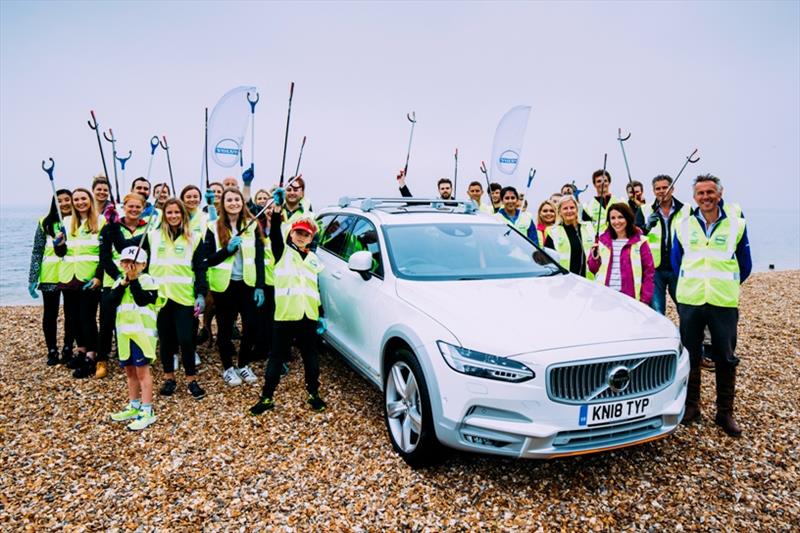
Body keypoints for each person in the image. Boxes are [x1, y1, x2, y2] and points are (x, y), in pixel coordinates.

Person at [672, 174, 751, 437]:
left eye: (710, 192)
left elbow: (745, 263)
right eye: (700, 193)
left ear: (719, 193)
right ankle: (692, 407)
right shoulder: (683, 223)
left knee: (725, 357)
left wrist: (725, 284)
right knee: (691, 355)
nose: (705, 197)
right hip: (691, 300)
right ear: (694, 196)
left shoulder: (735, 223)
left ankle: (724, 413)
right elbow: (676, 260)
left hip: (722, 300)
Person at [250, 190, 326, 415]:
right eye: (298, 233)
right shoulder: (281, 252)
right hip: (285, 315)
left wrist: (320, 312)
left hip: (308, 316)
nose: (301, 236)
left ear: (311, 238)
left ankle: (313, 393)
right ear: (291, 234)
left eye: (306, 234)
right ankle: (266, 397)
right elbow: (274, 235)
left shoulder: (313, 259)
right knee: (276, 357)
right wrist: (275, 211)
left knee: (311, 358)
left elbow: (314, 287)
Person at [143, 198, 208, 400]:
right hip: (160, 297)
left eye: (176, 213)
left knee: (186, 340)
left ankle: (191, 379)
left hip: (184, 297)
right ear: (164, 215)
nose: (173, 216)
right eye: (169, 212)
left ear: (183, 215)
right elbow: (141, 262)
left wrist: (200, 294)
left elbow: (200, 269)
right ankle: (169, 378)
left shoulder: (194, 238)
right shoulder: (152, 236)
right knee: (166, 341)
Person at [205, 187, 266, 386]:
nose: (233, 203)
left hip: (247, 284)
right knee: (224, 328)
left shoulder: (252, 225)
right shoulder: (212, 227)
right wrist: (227, 250)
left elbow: (258, 258)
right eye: (229, 200)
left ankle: (243, 364)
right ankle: (228, 368)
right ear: (222, 204)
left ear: (242, 202)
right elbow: (208, 260)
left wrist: (260, 286)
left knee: (252, 327)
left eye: (237, 199)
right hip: (224, 287)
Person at [96, 193, 149, 379]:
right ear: (123, 207)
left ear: (143, 209)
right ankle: (102, 359)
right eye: (130, 206)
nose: (134, 210)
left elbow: (136, 251)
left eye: (138, 207)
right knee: (106, 321)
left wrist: (135, 276)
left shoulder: (147, 228)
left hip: (137, 281)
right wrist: (120, 276)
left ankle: (135, 355)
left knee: (135, 317)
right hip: (114, 281)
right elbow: (105, 257)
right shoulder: (110, 226)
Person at [53, 188, 104, 378]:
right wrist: (58, 244)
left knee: (87, 317)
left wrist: (99, 276)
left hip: (88, 278)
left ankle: (92, 355)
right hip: (68, 277)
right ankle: (81, 350)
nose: (80, 202)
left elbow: (104, 253)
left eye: (83, 198)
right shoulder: (66, 222)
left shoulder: (101, 221)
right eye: (76, 199)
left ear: (90, 200)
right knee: (72, 317)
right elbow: (62, 252)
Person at [108, 246, 159, 431]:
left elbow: (142, 299)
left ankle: (147, 410)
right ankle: (134, 404)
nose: (131, 266)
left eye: (135, 263)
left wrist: (134, 281)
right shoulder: (119, 282)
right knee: (130, 371)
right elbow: (110, 302)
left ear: (143, 264)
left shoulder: (148, 280)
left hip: (142, 335)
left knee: (142, 372)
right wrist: (123, 284)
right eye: (127, 263)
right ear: (121, 264)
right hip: (124, 335)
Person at [28, 189, 75, 366]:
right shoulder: (45, 222)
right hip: (49, 274)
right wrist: (32, 277)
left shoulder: (77, 222)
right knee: (50, 314)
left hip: (71, 274)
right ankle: (52, 349)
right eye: (60, 200)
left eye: (67, 199)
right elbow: (37, 250)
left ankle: (68, 347)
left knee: (71, 314)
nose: (64, 203)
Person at [587, 203, 655, 304]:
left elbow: (649, 272)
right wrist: (594, 256)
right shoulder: (602, 240)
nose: (616, 221)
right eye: (613, 218)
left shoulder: (640, 241)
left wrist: (645, 298)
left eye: (620, 217)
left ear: (628, 218)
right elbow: (593, 269)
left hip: (630, 297)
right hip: (604, 295)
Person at [642, 175, 686, 315]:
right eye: (658, 188)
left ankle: (691, 336)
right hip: (655, 269)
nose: (662, 191)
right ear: (653, 191)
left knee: (685, 307)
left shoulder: (686, 209)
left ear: (672, 188)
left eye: (665, 187)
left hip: (678, 267)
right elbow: (635, 236)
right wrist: (646, 226)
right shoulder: (644, 210)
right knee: (657, 311)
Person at [544, 195, 595, 277]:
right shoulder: (553, 232)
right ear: (559, 211)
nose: (569, 211)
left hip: (588, 281)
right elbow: (548, 261)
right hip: (565, 281)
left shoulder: (589, 227)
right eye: (565, 208)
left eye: (572, 207)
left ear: (577, 209)